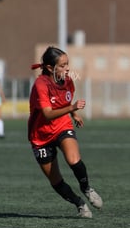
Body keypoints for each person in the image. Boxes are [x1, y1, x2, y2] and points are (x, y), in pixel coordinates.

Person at [28, 46, 102, 218]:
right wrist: (72, 107)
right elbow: (47, 114)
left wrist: (73, 114)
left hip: (62, 126)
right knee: (55, 181)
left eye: (67, 64)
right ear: (49, 68)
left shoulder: (67, 80)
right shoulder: (41, 85)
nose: (67, 68)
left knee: (74, 160)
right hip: (40, 136)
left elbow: (64, 101)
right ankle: (79, 203)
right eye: (62, 65)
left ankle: (86, 189)